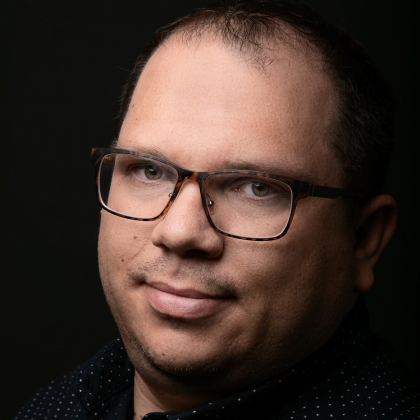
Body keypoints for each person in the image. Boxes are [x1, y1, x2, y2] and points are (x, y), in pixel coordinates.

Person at [15, 1, 420, 419]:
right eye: (149, 170)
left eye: (257, 187)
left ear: (363, 240)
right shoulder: (59, 405)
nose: (179, 232)